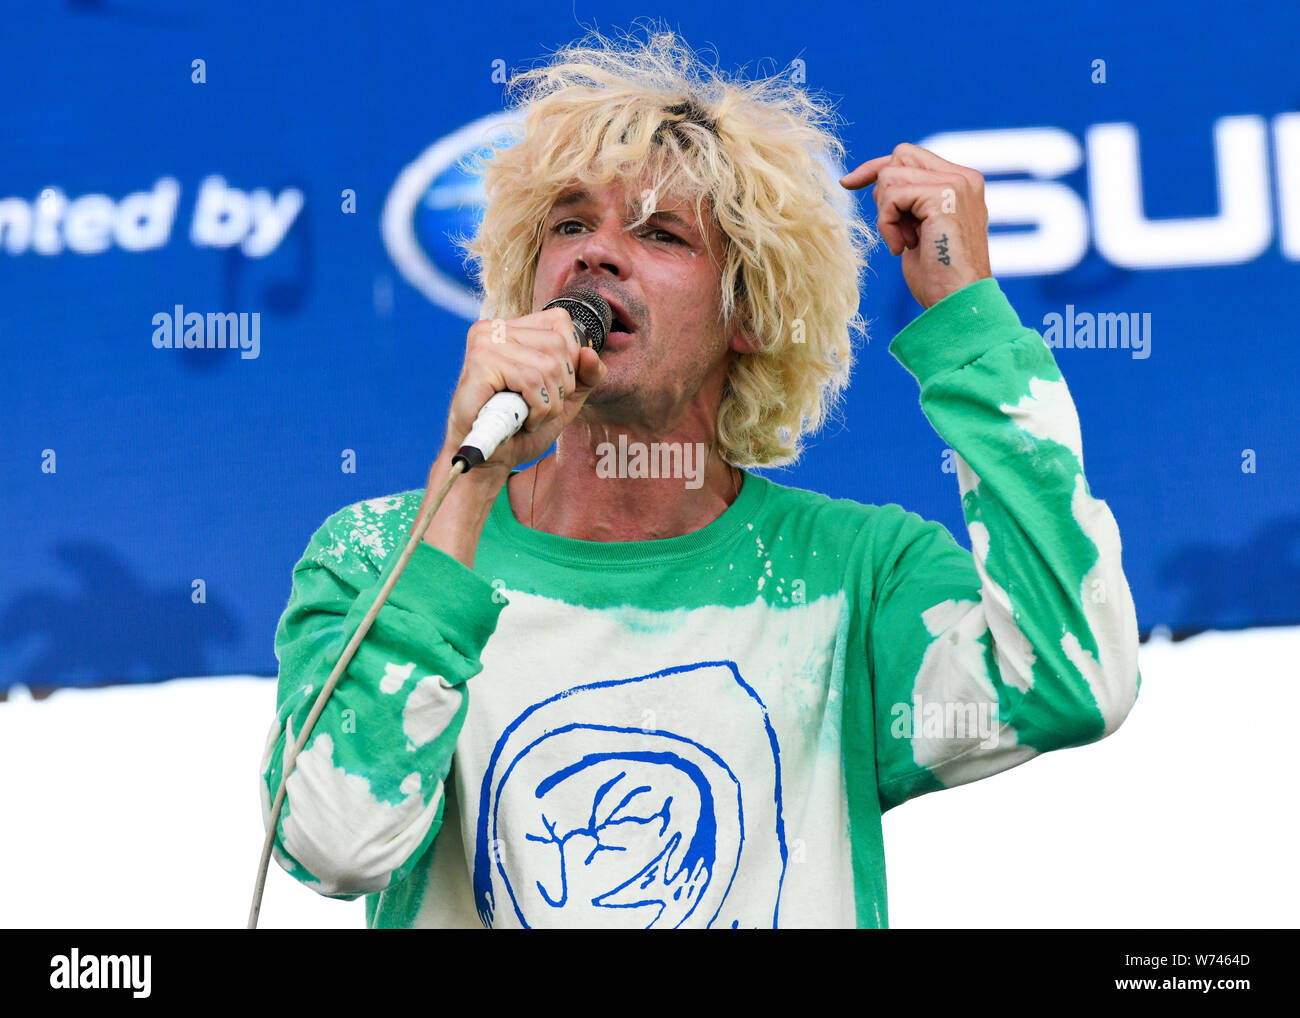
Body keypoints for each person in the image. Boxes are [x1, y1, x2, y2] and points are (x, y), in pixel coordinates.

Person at [259, 27, 1140, 929]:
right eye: (570, 225)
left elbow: (1074, 678)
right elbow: (334, 844)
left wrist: (966, 317)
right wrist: (470, 485)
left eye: (660, 233)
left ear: (749, 315)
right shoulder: (379, 555)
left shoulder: (856, 575)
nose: (597, 255)